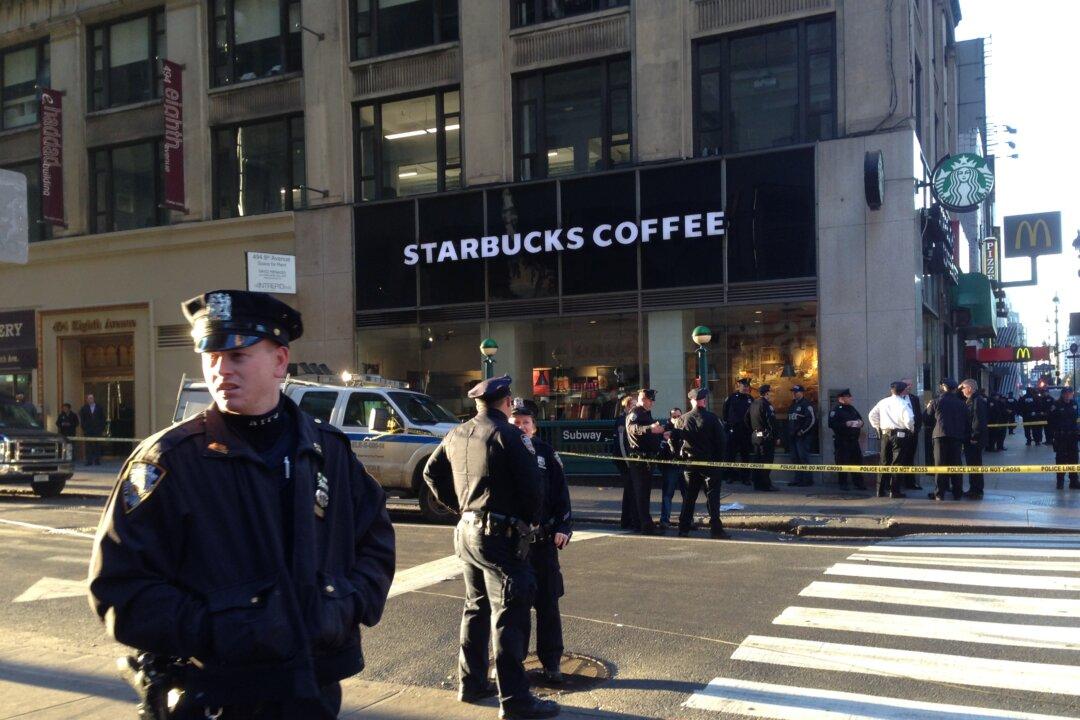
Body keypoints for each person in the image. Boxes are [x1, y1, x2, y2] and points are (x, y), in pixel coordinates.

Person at [89, 289, 396, 720]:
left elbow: (375, 542)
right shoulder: (169, 460)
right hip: (214, 695)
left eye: (237, 356)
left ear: (280, 361)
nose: (220, 370)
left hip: (312, 690)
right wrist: (221, 628)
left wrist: (344, 604)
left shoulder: (326, 450)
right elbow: (120, 587)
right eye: (210, 356)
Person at [423, 375, 558, 720]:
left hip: (467, 531)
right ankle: (515, 700)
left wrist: (462, 507)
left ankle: (471, 683)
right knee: (510, 615)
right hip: (499, 535)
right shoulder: (509, 436)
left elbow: (431, 472)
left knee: (476, 607)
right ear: (507, 402)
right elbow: (533, 490)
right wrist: (527, 521)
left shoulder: (457, 432)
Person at [509, 400, 572, 683]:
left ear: (534, 427)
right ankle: (515, 663)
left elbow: (562, 497)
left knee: (548, 605)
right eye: (516, 422)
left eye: (526, 422)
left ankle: (552, 664)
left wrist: (563, 527)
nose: (521, 426)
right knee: (516, 607)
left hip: (544, 544)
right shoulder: (502, 452)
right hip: (514, 546)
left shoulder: (547, 455)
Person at [675, 387, 728, 538]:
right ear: (704, 400)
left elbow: (676, 441)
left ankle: (683, 528)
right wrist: (719, 461)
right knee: (712, 497)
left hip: (690, 464)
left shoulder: (682, 419)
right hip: (710, 463)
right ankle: (716, 529)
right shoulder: (712, 418)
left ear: (691, 401)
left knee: (689, 498)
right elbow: (722, 442)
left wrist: (681, 458)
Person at [625, 388, 668, 535]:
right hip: (639, 460)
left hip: (645, 459)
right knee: (642, 494)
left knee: (643, 493)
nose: (653, 403)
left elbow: (649, 435)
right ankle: (646, 526)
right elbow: (632, 428)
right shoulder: (636, 413)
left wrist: (662, 433)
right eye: (651, 400)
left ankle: (639, 523)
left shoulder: (644, 413)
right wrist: (650, 428)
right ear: (643, 399)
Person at [867, 382, 914, 498]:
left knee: (883, 462)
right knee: (897, 463)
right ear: (903, 391)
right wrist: (910, 429)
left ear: (891, 390)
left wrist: (877, 426)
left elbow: (871, 415)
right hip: (900, 435)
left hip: (885, 434)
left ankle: (880, 490)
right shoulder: (904, 403)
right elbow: (909, 420)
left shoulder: (883, 402)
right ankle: (894, 491)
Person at [925, 378, 968, 500]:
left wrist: (928, 407)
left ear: (943, 387)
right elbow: (967, 420)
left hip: (940, 436)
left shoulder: (935, 402)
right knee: (956, 465)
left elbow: (927, 419)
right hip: (956, 437)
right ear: (955, 389)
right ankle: (957, 492)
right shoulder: (962, 403)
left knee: (940, 465)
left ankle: (939, 493)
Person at [827, 390, 866, 491]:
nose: (851, 399)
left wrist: (860, 423)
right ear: (842, 398)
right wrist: (845, 424)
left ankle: (858, 483)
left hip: (854, 440)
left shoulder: (852, 408)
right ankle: (843, 483)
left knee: (857, 461)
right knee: (842, 462)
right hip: (842, 441)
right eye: (848, 397)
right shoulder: (835, 409)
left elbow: (860, 419)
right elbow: (831, 424)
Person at [959, 379, 988, 499]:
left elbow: (977, 421)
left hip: (973, 439)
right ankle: (974, 488)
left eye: (963, 388)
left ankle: (976, 489)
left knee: (974, 463)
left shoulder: (976, 401)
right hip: (970, 437)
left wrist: (974, 436)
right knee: (972, 464)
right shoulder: (971, 400)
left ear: (969, 388)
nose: (962, 391)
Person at [658, 407, 687, 529]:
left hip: (683, 465)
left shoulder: (684, 428)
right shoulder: (665, 430)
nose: (676, 418)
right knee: (667, 495)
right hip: (670, 467)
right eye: (674, 416)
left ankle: (686, 520)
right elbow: (660, 450)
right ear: (670, 418)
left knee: (687, 495)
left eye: (678, 416)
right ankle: (665, 520)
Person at [722, 379, 754, 485]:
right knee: (731, 455)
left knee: (745, 455)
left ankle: (746, 478)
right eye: (743, 386)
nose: (745, 388)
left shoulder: (750, 399)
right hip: (733, 430)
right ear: (738, 386)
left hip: (745, 431)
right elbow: (725, 413)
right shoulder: (731, 398)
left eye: (746, 386)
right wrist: (728, 425)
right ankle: (730, 476)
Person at [747, 384, 778, 491]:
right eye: (770, 393)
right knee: (766, 461)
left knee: (757, 460)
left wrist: (755, 429)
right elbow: (771, 422)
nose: (771, 395)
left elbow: (746, 419)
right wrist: (775, 435)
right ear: (766, 393)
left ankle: (757, 483)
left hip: (755, 436)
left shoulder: (753, 403)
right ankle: (765, 485)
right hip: (765, 437)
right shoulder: (766, 405)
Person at [1048, 386, 1079, 490]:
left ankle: (1074, 481)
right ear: (1062, 394)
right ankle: (1060, 482)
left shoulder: (1074, 404)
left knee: (1074, 459)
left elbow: (1075, 419)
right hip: (1061, 437)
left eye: (1070, 393)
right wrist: (1053, 435)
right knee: (1061, 459)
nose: (1068, 395)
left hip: (1072, 436)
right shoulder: (1056, 405)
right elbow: (1050, 421)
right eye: (1066, 393)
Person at [613, 395, 637, 530]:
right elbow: (622, 444)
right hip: (624, 462)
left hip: (626, 461)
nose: (635, 407)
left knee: (629, 491)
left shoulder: (628, 418)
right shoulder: (623, 420)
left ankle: (626, 520)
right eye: (633, 405)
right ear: (627, 406)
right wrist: (628, 463)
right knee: (631, 491)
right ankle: (630, 520)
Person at [786, 385, 816, 487]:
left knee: (803, 458)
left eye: (796, 392)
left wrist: (802, 431)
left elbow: (811, 420)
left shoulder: (806, 404)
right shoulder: (793, 405)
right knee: (795, 458)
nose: (794, 394)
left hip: (802, 437)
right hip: (792, 436)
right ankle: (798, 479)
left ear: (801, 392)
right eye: (793, 392)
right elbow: (789, 420)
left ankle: (807, 480)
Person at [900, 379, 923, 490]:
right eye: (906, 385)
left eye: (910, 385)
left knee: (910, 457)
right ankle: (896, 483)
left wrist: (916, 429)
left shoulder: (914, 399)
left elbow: (918, 415)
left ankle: (910, 482)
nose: (909, 387)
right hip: (899, 434)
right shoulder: (893, 399)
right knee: (897, 458)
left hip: (912, 433)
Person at [79, 392, 107, 466]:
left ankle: (97, 460)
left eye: (91, 398)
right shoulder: (84, 408)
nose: (90, 399)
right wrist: (84, 428)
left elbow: (103, 418)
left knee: (97, 445)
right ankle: (89, 461)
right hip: (88, 430)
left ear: (94, 399)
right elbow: (82, 419)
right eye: (88, 398)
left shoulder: (99, 407)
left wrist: (102, 428)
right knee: (88, 446)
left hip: (97, 430)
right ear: (86, 400)